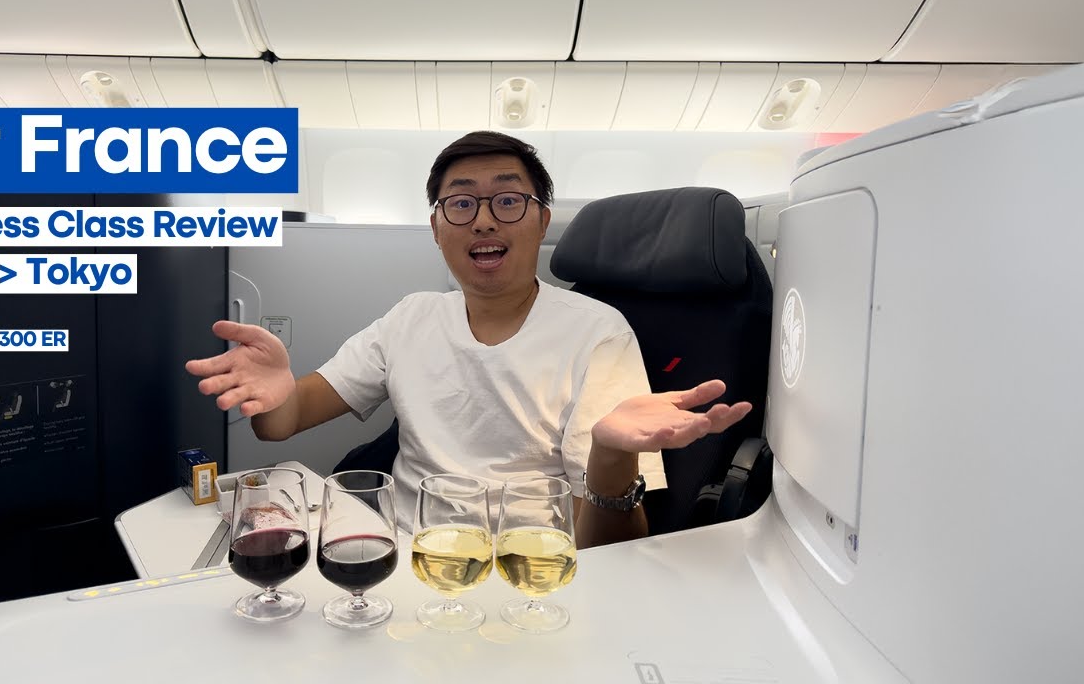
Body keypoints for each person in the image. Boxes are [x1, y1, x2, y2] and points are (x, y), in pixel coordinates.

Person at [185, 131, 751, 548]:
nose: (483, 221)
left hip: (523, 569)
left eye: (508, 200)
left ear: (542, 221)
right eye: (460, 203)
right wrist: (275, 392)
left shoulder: (597, 332)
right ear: (436, 228)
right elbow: (284, 422)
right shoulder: (411, 317)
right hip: (400, 555)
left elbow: (611, 546)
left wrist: (609, 455)